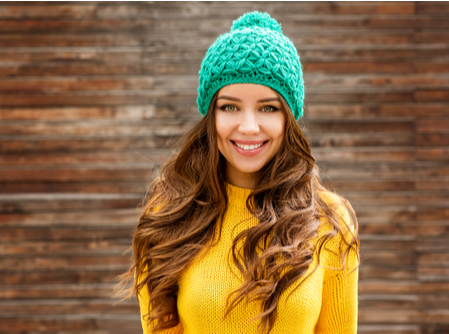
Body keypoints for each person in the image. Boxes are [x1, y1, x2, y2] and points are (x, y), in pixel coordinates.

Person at [115, 11, 360, 334]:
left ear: (288, 119)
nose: (248, 126)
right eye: (230, 106)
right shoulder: (169, 216)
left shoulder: (331, 220)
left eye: (268, 108)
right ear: (211, 115)